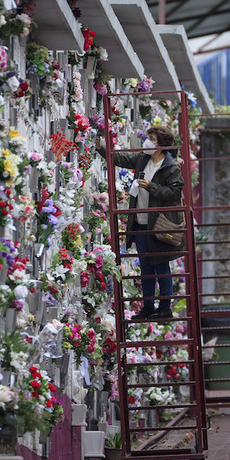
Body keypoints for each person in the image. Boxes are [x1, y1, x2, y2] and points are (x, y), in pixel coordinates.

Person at [99, 126, 184, 320]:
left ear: (160, 145)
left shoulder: (171, 166)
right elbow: (119, 159)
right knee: (145, 266)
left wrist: (151, 187)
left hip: (159, 224)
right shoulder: (142, 159)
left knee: (161, 265)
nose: (147, 141)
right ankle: (147, 306)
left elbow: (174, 193)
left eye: (151, 138)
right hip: (140, 222)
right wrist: (101, 147)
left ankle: (165, 307)